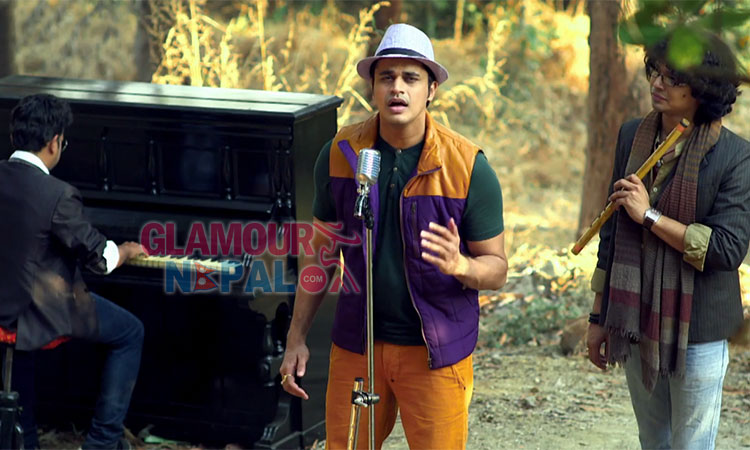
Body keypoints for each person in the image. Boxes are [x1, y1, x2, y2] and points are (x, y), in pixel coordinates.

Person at [279, 23, 507, 449]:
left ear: (431, 89)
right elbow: (321, 257)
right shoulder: (341, 155)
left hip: (435, 352)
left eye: (410, 78)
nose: (397, 87)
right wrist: (296, 337)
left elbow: (496, 269)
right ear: (372, 88)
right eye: (386, 77)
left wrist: (461, 266)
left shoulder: (468, 167)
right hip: (358, 345)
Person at [586, 31, 750, 449]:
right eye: (655, 73)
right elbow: (613, 230)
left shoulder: (735, 155)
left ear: (703, 88)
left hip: (701, 326)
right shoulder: (632, 136)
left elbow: (726, 249)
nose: (657, 84)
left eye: (673, 78)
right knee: (653, 440)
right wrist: (598, 316)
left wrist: (650, 216)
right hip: (636, 317)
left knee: (691, 444)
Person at [0, 94, 146, 450]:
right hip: (35, 311)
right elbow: (101, 260)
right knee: (130, 331)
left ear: (14, 136)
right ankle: (102, 442)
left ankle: (25, 438)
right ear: (54, 143)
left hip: (5, 306)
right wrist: (126, 250)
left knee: (20, 352)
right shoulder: (57, 194)